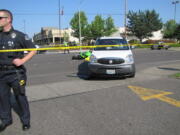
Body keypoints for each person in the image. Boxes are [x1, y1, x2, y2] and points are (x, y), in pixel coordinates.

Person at [0, 9, 37, 132]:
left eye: (0, 18)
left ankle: (26, 121)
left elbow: (33, 50)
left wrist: (22, 61)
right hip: (1, 73)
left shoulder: (19, 35)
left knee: (20, 97)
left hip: (16, 73)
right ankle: (6, 120)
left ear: (8, 19)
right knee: (2, 98)